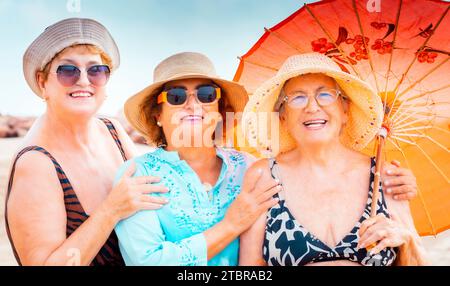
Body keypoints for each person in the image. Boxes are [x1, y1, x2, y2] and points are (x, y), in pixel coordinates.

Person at [5, 18, 167, 266]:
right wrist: (111, 210)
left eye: (96, 70)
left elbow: (154, 200)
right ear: (42, 82)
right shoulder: (36, 162)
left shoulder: (113, 131)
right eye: (68, 71)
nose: (83, 80)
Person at [239, 53, 427, 266]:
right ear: (283, 117)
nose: (312, 107)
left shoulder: (384, 176)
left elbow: (419, 260)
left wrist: (406, 240)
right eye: (297, 98)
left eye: (325, 95)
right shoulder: (264, 176)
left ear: (345, 109)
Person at [114, 52, 282, 266]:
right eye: (176, 96)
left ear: (220, 110)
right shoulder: (137, 174)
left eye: (206, 94)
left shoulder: (251, 167)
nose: (193, 105)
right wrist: (231, 224)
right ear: (158, 116)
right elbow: (148, 261)